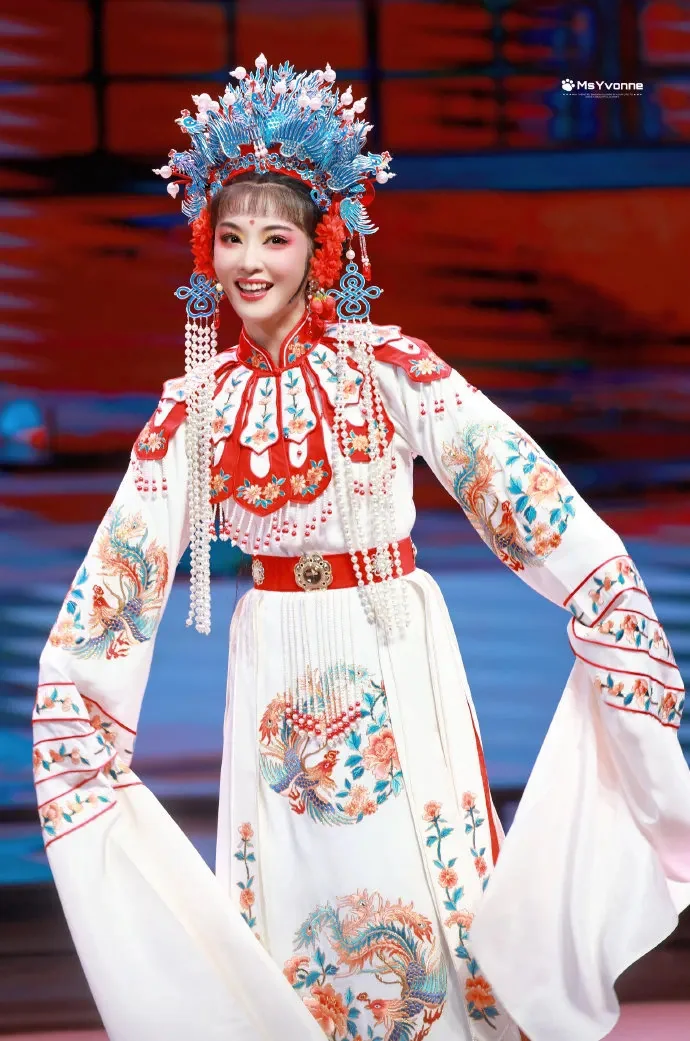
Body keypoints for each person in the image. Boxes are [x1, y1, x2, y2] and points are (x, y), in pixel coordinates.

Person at [33, 56, 690, 1041]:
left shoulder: (387, 367)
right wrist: (73, 700)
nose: (251, 262)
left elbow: (518, 489)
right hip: (272, 666)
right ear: (205, 248)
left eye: (276, 237)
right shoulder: (192, 411)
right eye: (231, 237)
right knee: (292, 895)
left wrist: (601, 591)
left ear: (321, 245)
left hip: (389, 647)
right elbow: (118, 575)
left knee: (417, 883)